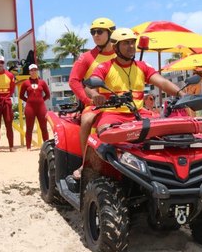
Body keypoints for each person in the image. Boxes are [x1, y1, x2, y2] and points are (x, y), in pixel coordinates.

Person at [76, 28, 185, 179]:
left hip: (138, 112)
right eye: (126, 43)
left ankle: (162, 169)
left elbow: (163, 82)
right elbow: (88, 86)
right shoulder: (105, 67)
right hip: (113, 113)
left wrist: (181, 94)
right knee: (104, 133)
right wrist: (95, 94)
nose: (131, 47)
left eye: (133, 43)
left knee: (165, 132)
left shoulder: (142, 66)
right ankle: (85, 164)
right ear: (115, 47)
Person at [68, 17, 116, 178]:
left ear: (110, 33)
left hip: (120, 102)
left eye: (100, 32)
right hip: (96, 102)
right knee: (87, 120)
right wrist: (87, 100)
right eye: (93, 32)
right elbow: (74, 80)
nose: (96, 35)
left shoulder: (121, 53)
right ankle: (84, 164)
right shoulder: (87, 57)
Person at [19, 64, 50, 150]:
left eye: (35, 70)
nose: (33, 72)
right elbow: (21, 96)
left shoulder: (42, 82)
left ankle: (46, 146)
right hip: (30, 108)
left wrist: (40, 100)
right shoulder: (25, 83)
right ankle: (28, 147)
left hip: (41, 107)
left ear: (37, 71)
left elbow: (47, 95)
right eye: (32, 70)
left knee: (44, 127)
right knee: (29, 128)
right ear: (29, 72)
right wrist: (29, 101)